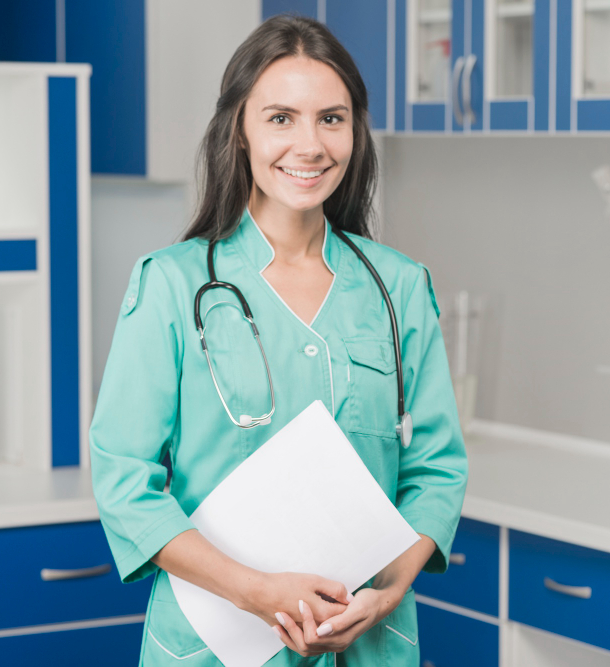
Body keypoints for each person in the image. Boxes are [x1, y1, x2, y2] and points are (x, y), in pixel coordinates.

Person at [90, 14, 468, 666]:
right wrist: (254, 591)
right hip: (212, 646)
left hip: (369, 639)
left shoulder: (399, 288)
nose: (311, 143)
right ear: (239, 129)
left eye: (331, 118)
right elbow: (125, 482)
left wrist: (386, 591)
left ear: (355, 131)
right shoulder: (173, 287)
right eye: (281, 118)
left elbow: (436, 471)